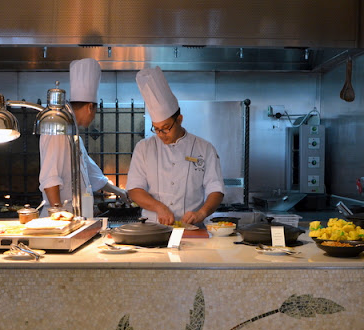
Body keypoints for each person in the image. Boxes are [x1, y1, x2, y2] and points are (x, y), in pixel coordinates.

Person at [126, 66, 224, 225]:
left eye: (165, 128)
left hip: (192, 229)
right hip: (153, 228)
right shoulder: (144, 148)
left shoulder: (204, 148)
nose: (161, 134)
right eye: (156, 129)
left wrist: (202, 213)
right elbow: (135, 190)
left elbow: (216, 189)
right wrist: (159, 208)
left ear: (179, 120)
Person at [38, 58, 130, 217]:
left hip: (75, 220)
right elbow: (50, 178)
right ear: (89, 107)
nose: (94, 117)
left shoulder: (75, 137)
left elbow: (93, 176)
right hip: (59, 223)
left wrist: (121, 192)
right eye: (95, 111)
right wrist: (58, 214)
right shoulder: (58, 128)